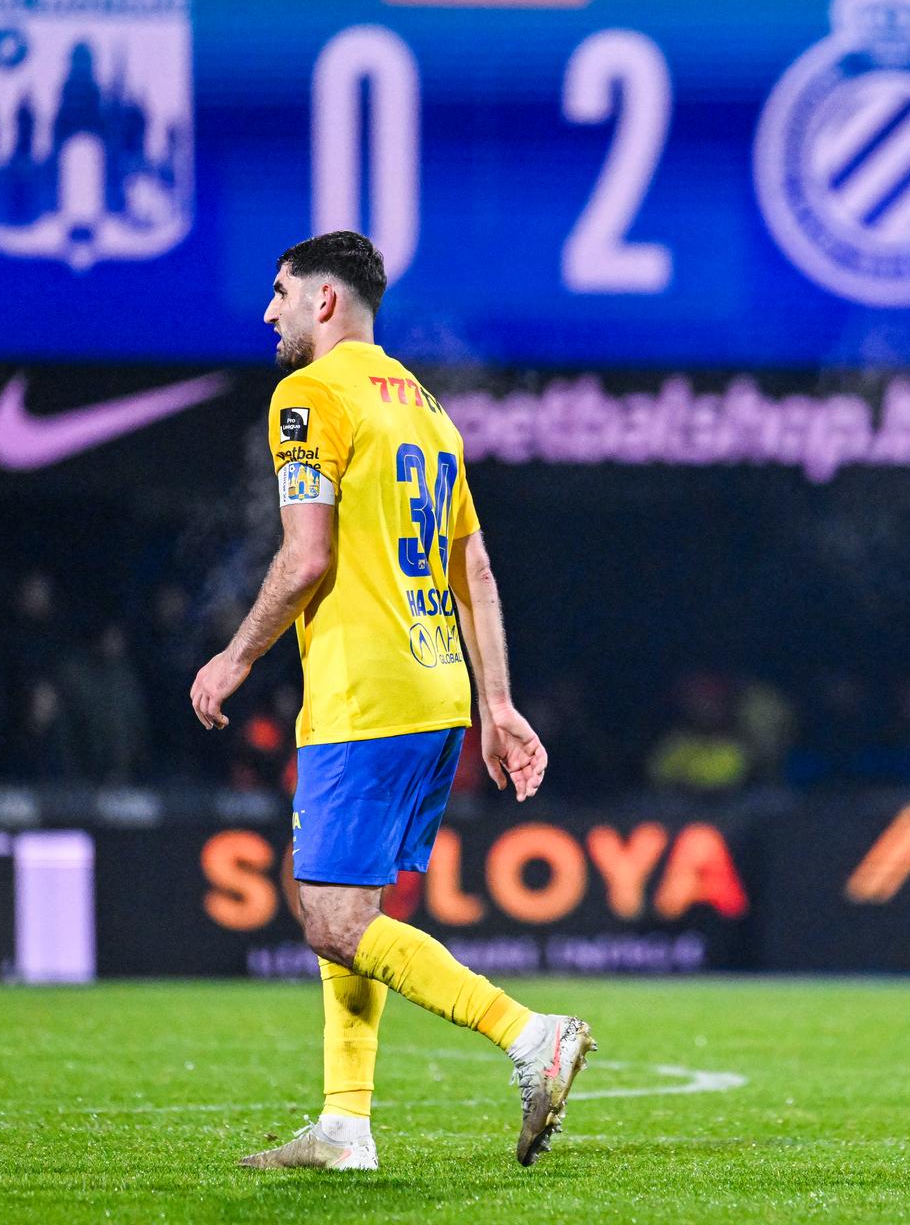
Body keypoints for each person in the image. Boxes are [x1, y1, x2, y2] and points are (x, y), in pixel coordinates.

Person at [188, 231, 591, 1173]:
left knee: (329, 916)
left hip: (366, 692)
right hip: (436, 684)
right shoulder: (427, 407)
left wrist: (234, 657)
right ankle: (344, 1125)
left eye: (281, 292)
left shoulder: (308, 397)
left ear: (325, 301)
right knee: (349, 901)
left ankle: (533, 1036)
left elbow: (307, 557)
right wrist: (496, 704)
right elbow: (476, 570)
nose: (268, 313)